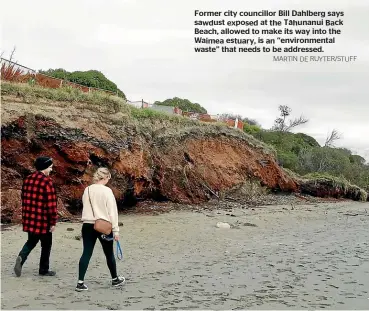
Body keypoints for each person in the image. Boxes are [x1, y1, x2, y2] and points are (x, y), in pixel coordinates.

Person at [75, 167, 125, 292]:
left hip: (87, 224)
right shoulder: (107, 191)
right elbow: (112, 212)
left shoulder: (87, 190)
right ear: (106, 177)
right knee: (109, 254)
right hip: (104, 225)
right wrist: (116, 230)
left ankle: (80, 282)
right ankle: (115, 279)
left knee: (86, 253)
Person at [14, 156, 58, 277]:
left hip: (30, 219)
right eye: (50, 167)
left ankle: (21, 257)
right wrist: (53, 222)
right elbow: (51, 205)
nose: (51, 170)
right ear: (44, 168)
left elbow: (23, 198)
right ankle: (43, 269)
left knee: (31, 241)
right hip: (43, 221)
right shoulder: (47, 182)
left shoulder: (27, 179)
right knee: (46, 245)